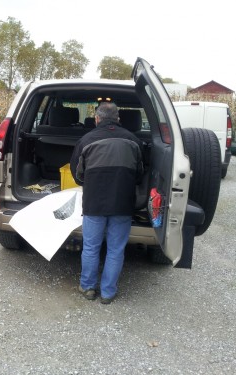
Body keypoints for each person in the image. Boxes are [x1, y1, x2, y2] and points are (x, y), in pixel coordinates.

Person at [70, 102, 143, 304]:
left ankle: (87, 288)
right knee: (115, 249)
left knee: (91, 247)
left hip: (94, 203)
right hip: (123, 204)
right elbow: (139, 175)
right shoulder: (133, 141)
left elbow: (77, 175)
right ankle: (108, 293)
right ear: (118, 119)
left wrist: (92, 183)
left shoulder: (86, 140)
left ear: (97, 119)